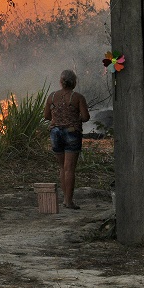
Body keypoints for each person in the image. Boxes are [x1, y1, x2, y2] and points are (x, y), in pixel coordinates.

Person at [43, 70, 91, 209]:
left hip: (55, 133)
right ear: (74, 82)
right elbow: (86, 117)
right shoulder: (78, 98)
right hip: (71, 133)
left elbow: (46, 116)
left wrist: (58, 118)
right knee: (69, 168)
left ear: (61, 82)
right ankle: (68, 201)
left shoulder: (52, 96)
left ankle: (65, 198)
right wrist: (74, 119)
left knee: (62, 167)